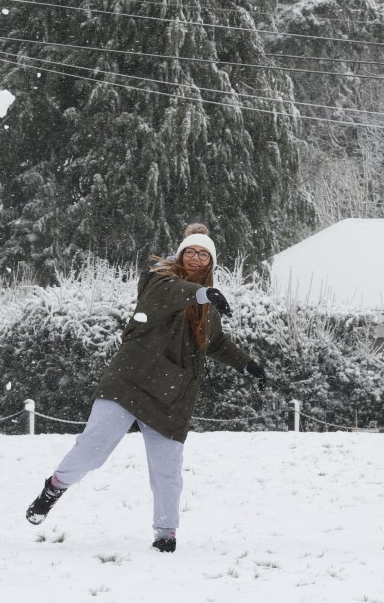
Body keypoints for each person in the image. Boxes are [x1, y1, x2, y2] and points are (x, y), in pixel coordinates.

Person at [24, 224, 267, 553]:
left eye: (204, 254)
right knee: (93, 451)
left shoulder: (207, 304)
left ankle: (165, 533)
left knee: (168, 470)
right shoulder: (158, 280)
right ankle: (54, 487)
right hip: (130, 380)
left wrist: (246, 363)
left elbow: (215, 341)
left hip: (172, 395)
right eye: (191, 252)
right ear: (181, 254)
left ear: (211, 262)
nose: (196, 258)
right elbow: (168, 295)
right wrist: (202, 293)